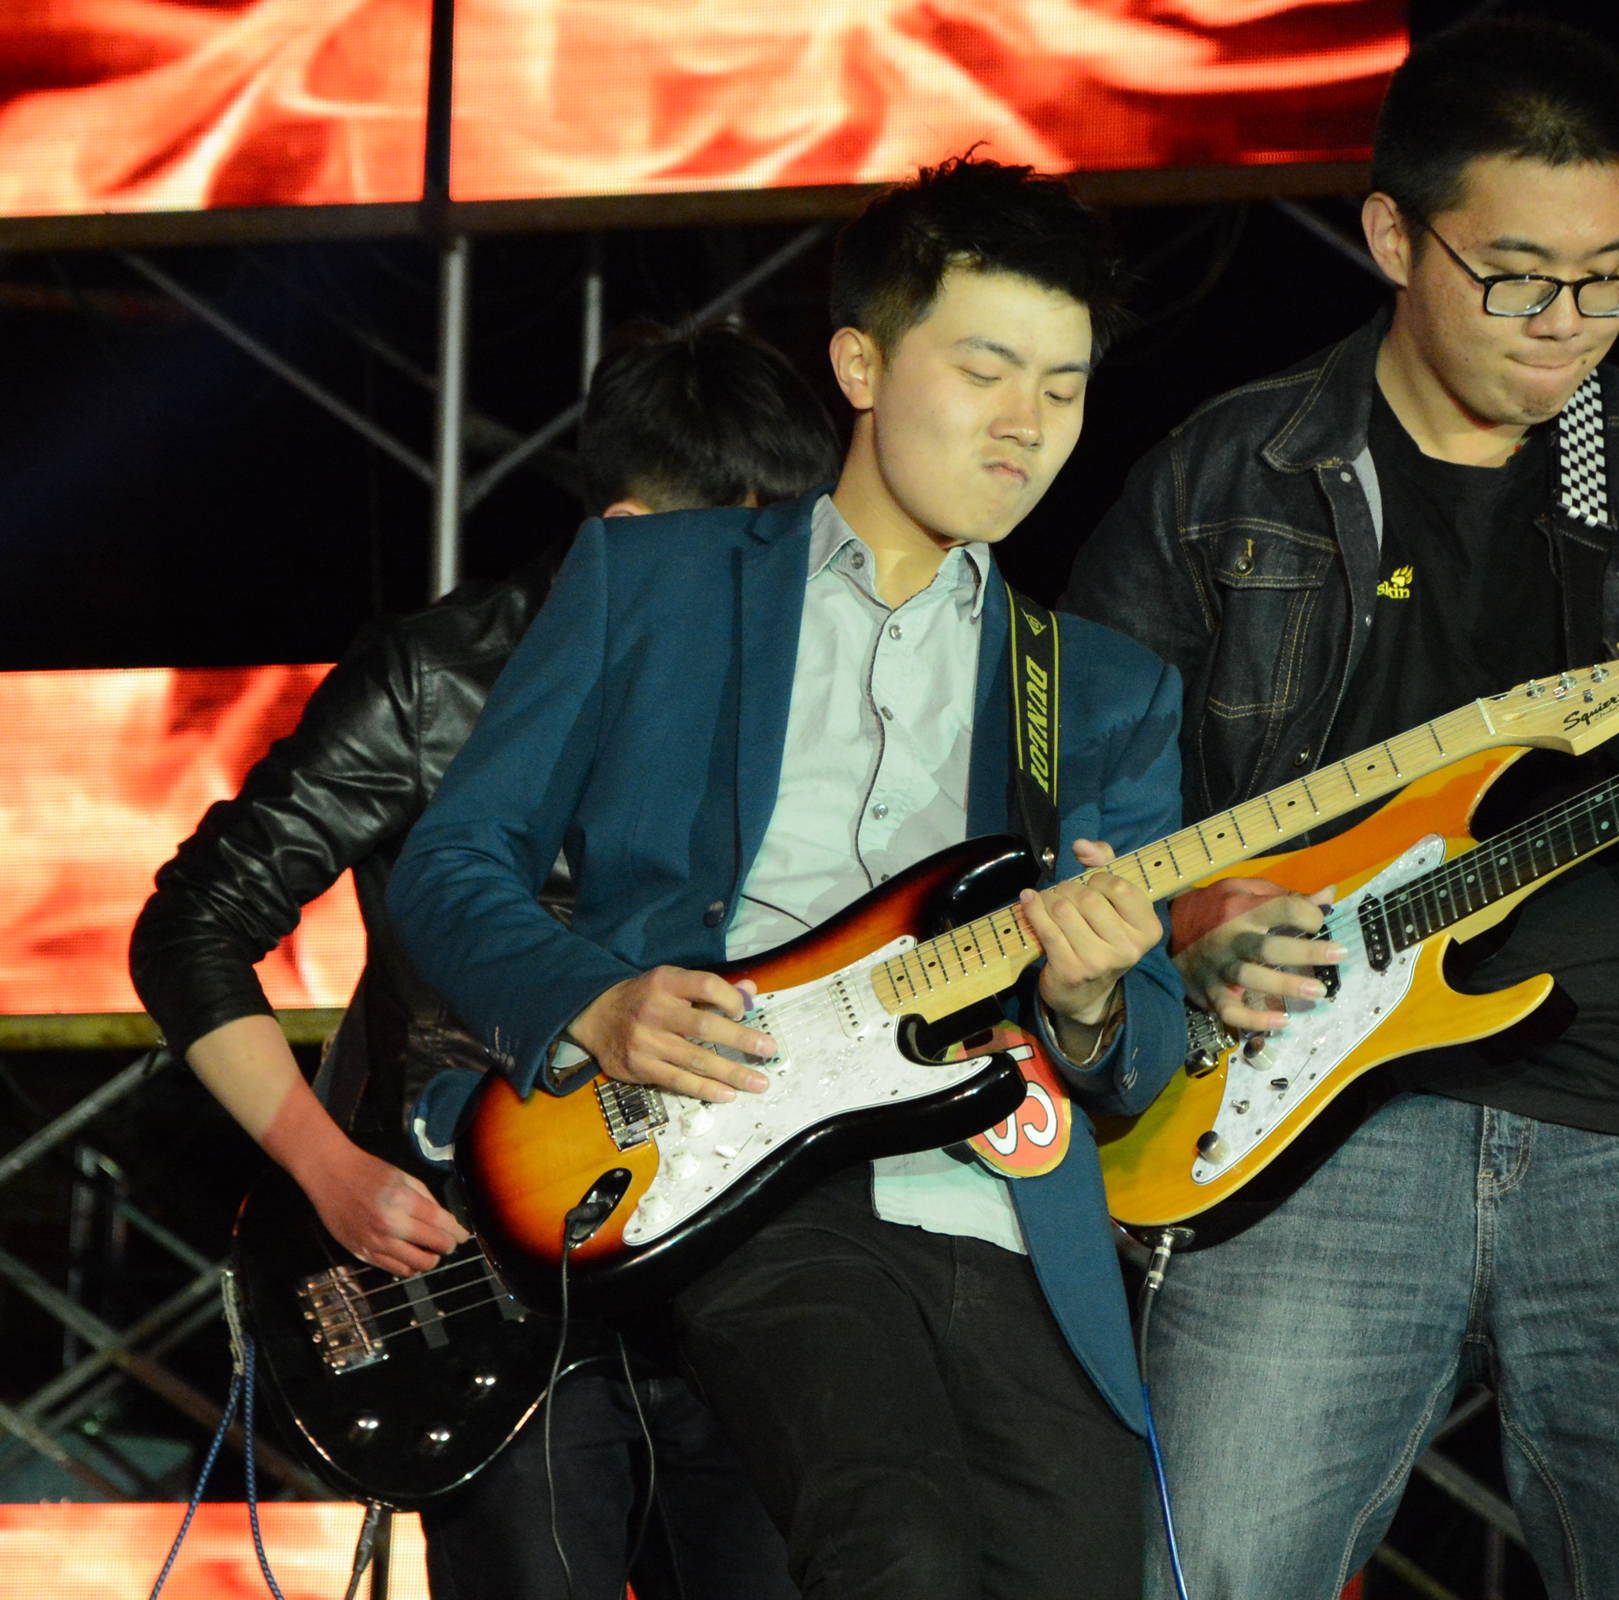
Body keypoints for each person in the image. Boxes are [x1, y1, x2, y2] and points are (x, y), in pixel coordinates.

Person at [1063, 19, 1619, 1600]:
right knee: (1208, 1574)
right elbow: (1075, 814)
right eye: (1521, 279)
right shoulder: (1223, 475)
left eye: (1610, 279)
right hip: (1306, 1115)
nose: (1568, 327)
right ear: (1393, 234)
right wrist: (1195, 919)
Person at [385, 156, 1187, 1600]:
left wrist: (1092, 1002)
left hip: (997, 1198)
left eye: (1064, 389)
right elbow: (452, 862)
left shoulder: (1105, 690)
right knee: (899, 1549)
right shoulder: (655, 582)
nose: (1027, 424)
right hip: (736, 1163)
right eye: (987, 370)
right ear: (861, 364)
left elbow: (1150, 1044)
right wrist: (595, 1001)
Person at [130, 318, 830, 1600]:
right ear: (629, 528)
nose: (782, 588)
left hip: (734, 1270)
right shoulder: (434, 681)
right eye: (745, 550)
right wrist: (328, 1168)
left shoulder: (812, 698)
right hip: (479, 1278)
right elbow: (191, 925)